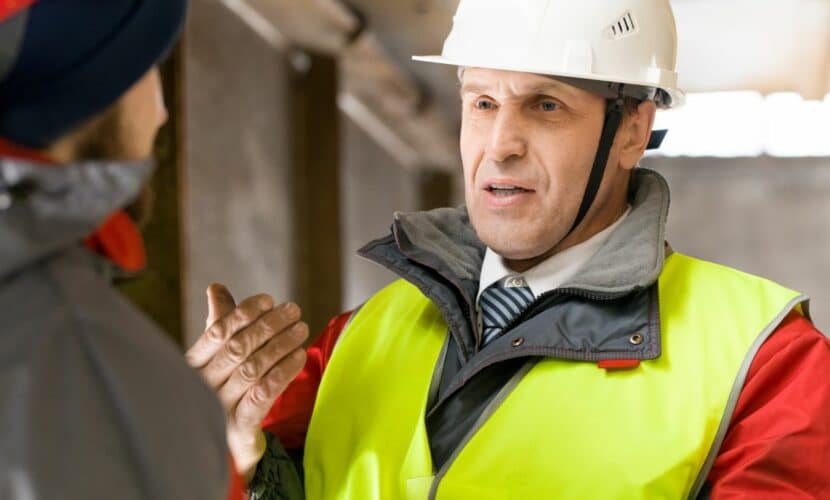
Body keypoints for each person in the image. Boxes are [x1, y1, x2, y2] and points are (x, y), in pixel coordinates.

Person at [208, 1, 830, 499]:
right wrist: (233, 459)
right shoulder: (351, 343)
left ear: (633, 129)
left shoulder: (766, 364)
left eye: (546, 105)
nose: (500, 144)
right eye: (482, 103)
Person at [0, 1, 308, 498]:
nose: (162, 112)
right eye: (145, 68)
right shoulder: (89, 368)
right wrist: (177, 441)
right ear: (86, 90)